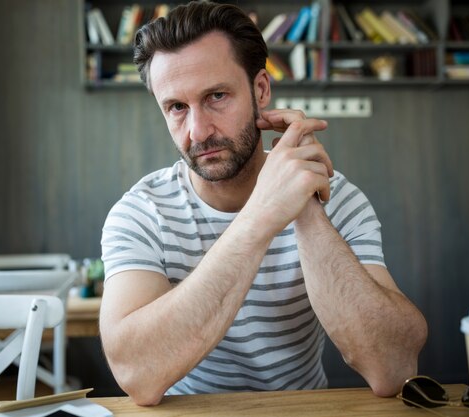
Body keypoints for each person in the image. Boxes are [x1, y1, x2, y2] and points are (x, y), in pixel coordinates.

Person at [99, 1, 427, 406]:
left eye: (217, 95)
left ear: (260, 90)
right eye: (177, 107)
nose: (198, 131)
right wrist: (259, 218)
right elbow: (137, 375)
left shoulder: (335, 197)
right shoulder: (141, 213)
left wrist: (304, 205)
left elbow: (393, 368)